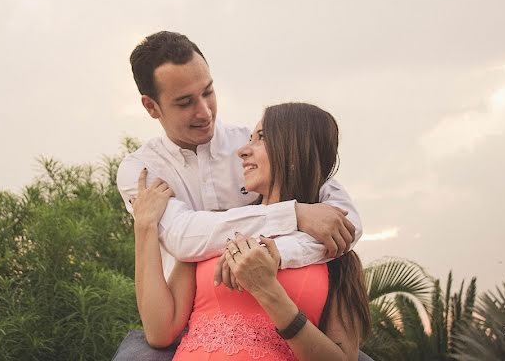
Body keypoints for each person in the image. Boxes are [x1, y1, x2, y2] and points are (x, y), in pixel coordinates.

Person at [112, 32, 362, 360]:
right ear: (151, 106)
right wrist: (294, 214)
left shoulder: (246, 142)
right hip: (180, 323)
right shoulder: (141, 171)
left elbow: (342, 219)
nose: (204, 112)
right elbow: (185, 239)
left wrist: (273, 256)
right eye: (185, 102)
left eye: (209, 92)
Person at [133, 102, 371, 360]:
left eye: (261, 138)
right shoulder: (217, 228)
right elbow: (159, 332)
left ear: (293, 151)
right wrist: (145, 226)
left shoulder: (337, 255)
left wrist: (267, 290)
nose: (243, 151)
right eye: (249, 139)